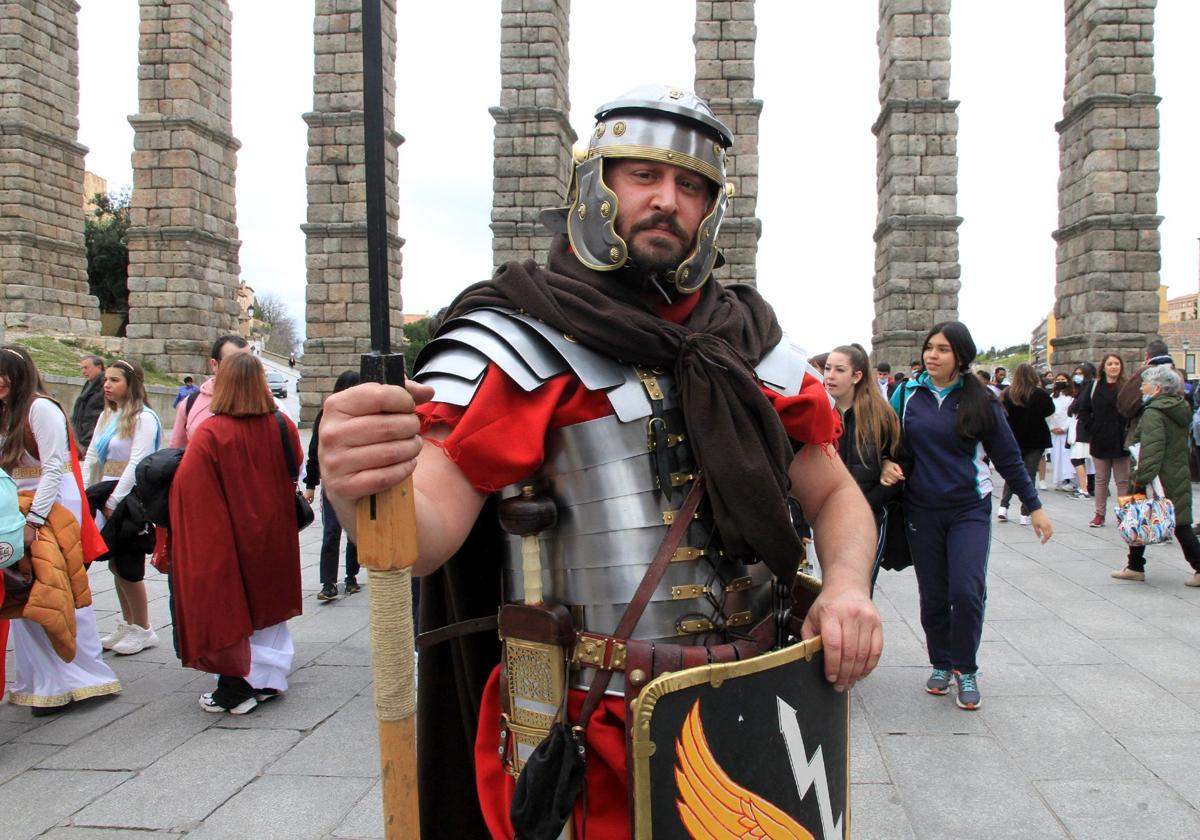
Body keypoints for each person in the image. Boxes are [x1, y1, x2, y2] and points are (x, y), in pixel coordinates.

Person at [317, 85, 882, 838]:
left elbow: (837, 495)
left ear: (710, 211)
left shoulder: (750, 343)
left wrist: (846, 587)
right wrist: (359, 483)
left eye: (690, 185)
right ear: (596, 185)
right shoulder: (521, 342)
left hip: (752, 696)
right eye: (642, 175)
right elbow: (422, 539)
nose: (667, 200)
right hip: (592, 720)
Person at [887, 322, 1052, 711]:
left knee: (966, 589)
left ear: (960, 355)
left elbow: (1009, 458)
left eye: (942, 349)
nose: (932, 355)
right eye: (929, 347)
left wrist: (1035, 506)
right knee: (934, 594)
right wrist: (884, 463)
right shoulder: (906, 393)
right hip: (921, 509)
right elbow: (887, 438)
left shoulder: (983, 400)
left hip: (969, 508)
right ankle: (941, 663)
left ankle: (966, 667)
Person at [169, 353, 304, 713]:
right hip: (275, 531)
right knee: (270, 607)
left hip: (231, 534)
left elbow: (189, 489)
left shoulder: (212, 431)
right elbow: (297, 465)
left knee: (235, 607)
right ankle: (268, 680)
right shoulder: (282, 424)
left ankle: (238, 689)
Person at [0, 344, 119, 715]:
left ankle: (79, 678)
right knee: (26, 595)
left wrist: (33, 521)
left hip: (51, 507)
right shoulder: (6, 409)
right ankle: (43, 681)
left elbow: (54, 467)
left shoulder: (40, 409)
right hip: (15, 509)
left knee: (59, 588)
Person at [82, 359, 162, 655]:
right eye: (106, 379)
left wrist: (114, 501)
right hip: (105, 494)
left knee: (129, 565)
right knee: (115, 564)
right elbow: (92, 455)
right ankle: (129, 624)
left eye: (114, 380)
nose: (107, 385)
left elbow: (137, 462)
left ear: (131, 384)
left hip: (126, 499)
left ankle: (143, 628)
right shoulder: (109, 415)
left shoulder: (144, 418)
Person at [1111, 365, 1200, 586]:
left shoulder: (1154, 412)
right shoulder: (1177, 407)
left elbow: (1151, 449)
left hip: (1158, 477)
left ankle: (1198, 565)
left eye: (1145, 383)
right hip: (1175, 472)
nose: (1142, 387)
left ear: (1158, 388)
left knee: (1176, 523)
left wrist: (1139, 478)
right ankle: (1134, 565)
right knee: (1144, 516)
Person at [824, 344, 901, 582]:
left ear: (857, 375)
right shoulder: (818, 412)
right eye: (827, 368)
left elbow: (901, 464)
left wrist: (866, 504)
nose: (830, 376)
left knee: (859, 586)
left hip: (869, 518)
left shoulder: (881, 415)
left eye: (839, 370)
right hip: (825, 517)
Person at [303, 370, 361, 602]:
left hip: (356, 480)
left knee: (354, 533)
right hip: (333, 483)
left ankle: (351, 577)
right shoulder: (326, 415)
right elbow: (315, 450)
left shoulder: (363, 415)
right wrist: (311, 484)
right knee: (332, 531)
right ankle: (329, 583)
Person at [169, 334, 251, 448]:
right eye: (233, 363)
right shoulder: (190, 404)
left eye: (249, 363)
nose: (243, 369)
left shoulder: (268, 404)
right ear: (214, 364)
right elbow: (175, 452)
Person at [1077, 354, 1130, 528]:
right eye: (1110, 364)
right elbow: (1083, 409)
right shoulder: (1094, 386)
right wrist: (1092, 428)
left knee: (1122, 481)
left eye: (1117, 363)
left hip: (1121, 439)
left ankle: (1124, 514)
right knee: (1101, 480)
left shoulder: (1127, 386)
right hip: (1100, 439)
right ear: (1104, 367)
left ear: (1121, 366)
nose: (1114, 367)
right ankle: (1099, 514)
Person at [997, 363, 1054, 526]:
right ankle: (1025, 512)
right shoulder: (1039, 394)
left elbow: (1002, 415)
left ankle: (1003, 507)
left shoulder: (1007, 394)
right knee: (1030, 473)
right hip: (1036, 439)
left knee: (1012, 472)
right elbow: (1049, 410)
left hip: (1014, 438)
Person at [1067, 362, 1097, 499]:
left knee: (1077, 458)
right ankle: (1086, 487)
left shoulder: (1088, 388)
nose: (1077, 377)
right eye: (1076, 373)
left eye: (1080, 374)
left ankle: (1084, 488)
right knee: (1083, 459)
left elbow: (1077, 407)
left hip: (1083, 428)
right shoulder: (1082, 388)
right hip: (1080, 427)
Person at [70, 355, 106, 454]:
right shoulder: (90, 384)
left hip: (93, 440)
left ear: (98, 367)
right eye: (82, 368)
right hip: (83, 438)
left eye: (86, 367)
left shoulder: (105, 387)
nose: (83, 371)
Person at [1048, 375, 1076, 490]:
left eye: (1063, 380)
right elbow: (1049, 414)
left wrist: (1064, 428)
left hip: (1066, 432)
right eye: (1058, 380)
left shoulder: (1072, 398)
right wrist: (1052, 427)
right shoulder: (1052, 397)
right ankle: (1060, 480)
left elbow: (1072, 415)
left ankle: (1070, 480)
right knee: (1056, 457)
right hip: (1054, 431)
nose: (1060, 382)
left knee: (1067, 457)